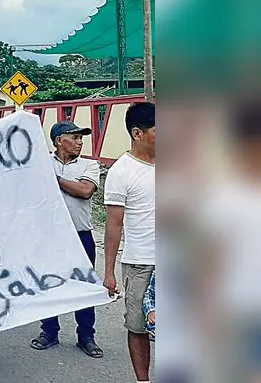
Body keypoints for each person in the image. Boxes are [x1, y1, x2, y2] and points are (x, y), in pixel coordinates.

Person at [30, 121, 103, 358]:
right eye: (75, 137)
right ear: (59, 140)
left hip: (80, 235)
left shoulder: (89, 165)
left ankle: (86, 336)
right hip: (48, 236)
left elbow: (84, 191)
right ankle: (49, 331)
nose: (80, 142)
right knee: (48, 285)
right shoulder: (40, 165)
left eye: (81, 138)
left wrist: (53, 179)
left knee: (83, 286)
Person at [103, 102, 155, 383]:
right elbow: (114, 225)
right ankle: (143, 380)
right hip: (140, 263)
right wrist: (109, 272)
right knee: (139, 326)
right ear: (138, 133)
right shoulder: (121, 172)